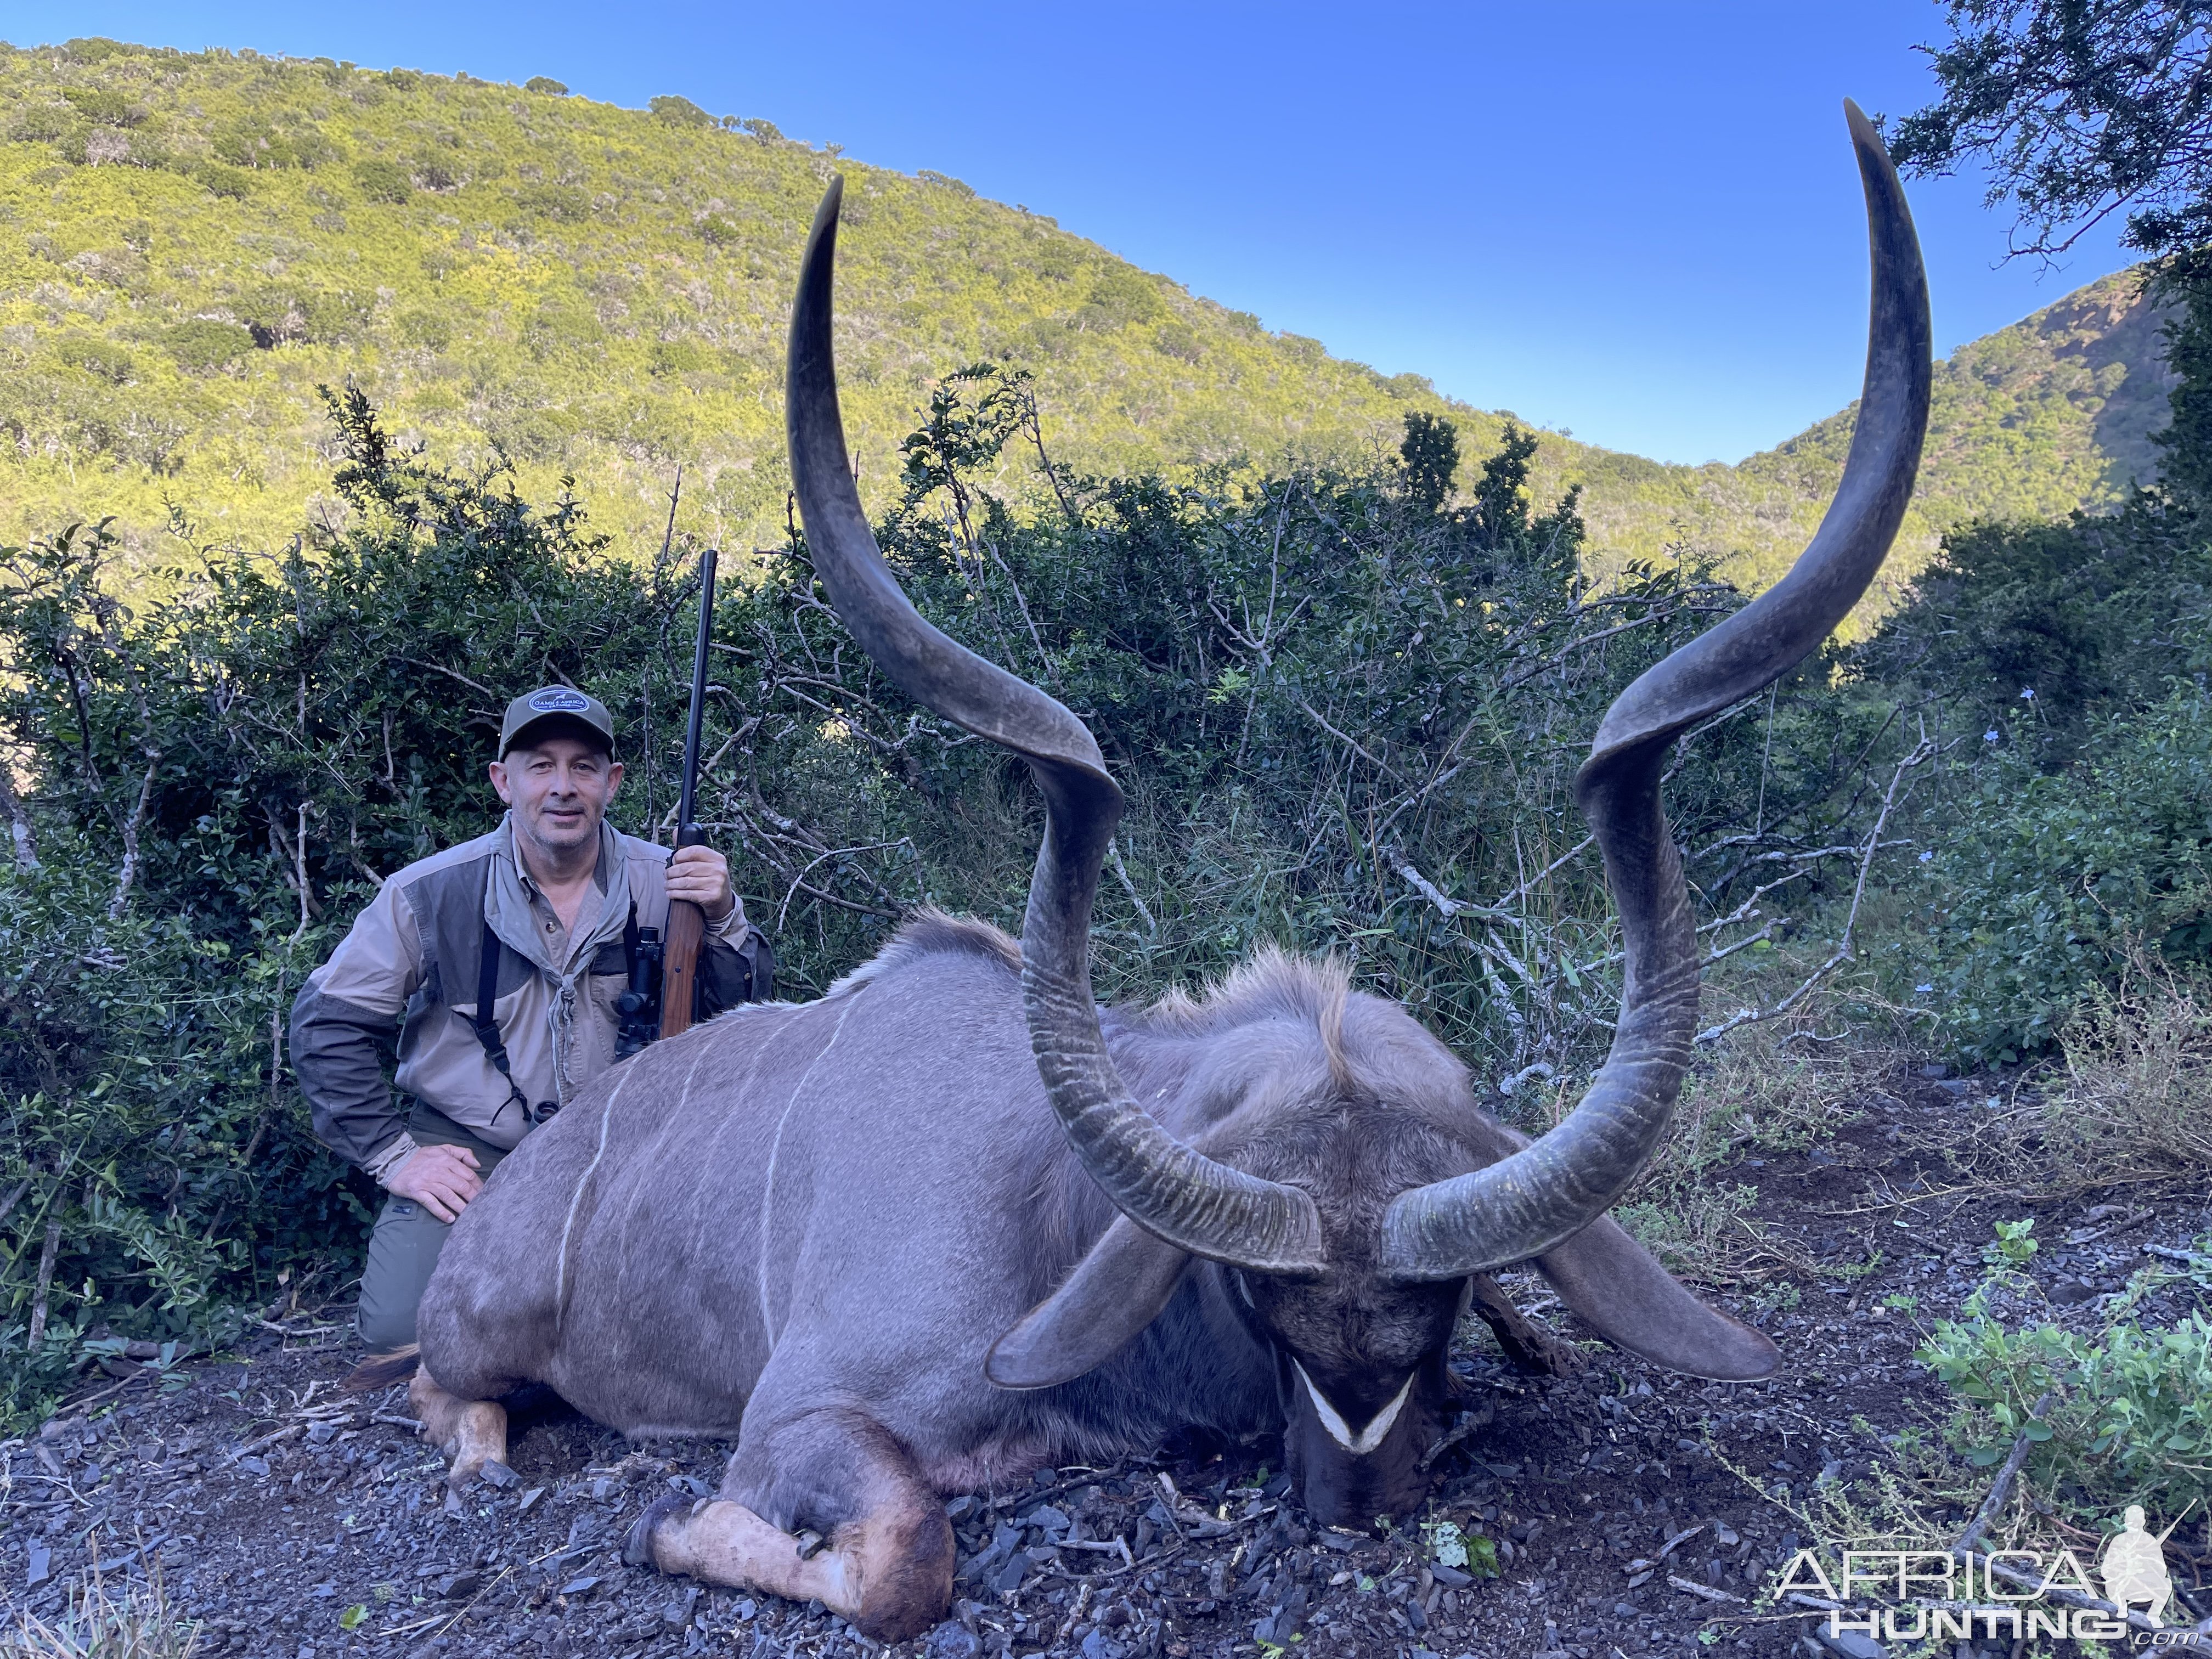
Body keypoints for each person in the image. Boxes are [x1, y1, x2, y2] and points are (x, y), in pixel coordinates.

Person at [291, 686, 772, 1353]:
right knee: (404, 1337)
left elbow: (742, 1020)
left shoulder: (673, 883)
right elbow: (326, 1025)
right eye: (540, 765)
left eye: (582, 766)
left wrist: (722, 918)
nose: (563, 787)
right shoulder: (427, 893)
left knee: (733, 1323)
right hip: (476, 1150)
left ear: (612, 782)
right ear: (503, 781)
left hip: (633, 1149)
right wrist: (397, 1158)